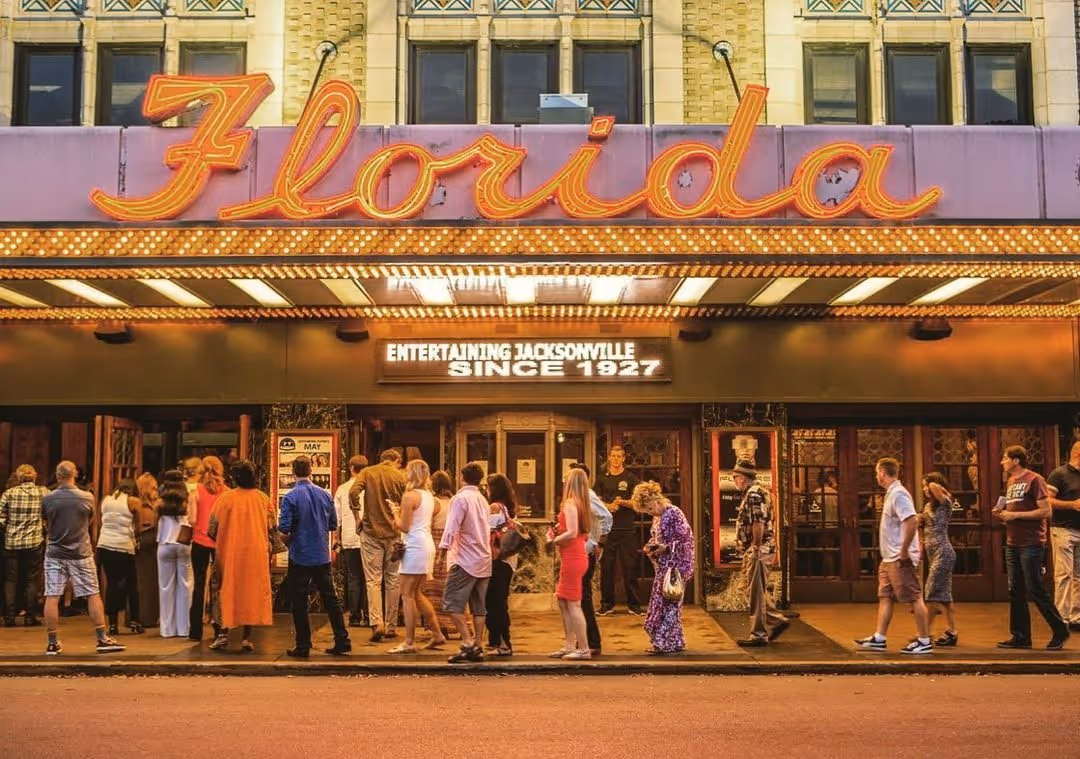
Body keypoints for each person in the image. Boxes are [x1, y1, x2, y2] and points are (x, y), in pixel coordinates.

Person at [41, 461, 125, 655]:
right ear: (75, 474)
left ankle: (52, 642)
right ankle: (102, 638)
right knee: (92, 594)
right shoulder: (87, 497)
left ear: (57, 475)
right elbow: (91, 520)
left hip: (55, 552)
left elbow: (45, 520)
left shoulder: (48, 498)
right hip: (80, 552)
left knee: (52, 596)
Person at [995, 445, 1070, 649]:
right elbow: (1017, 507)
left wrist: (1014, 515)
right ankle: (1020, 636)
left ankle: (1060, 630)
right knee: (1015, 590)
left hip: (1031, 543)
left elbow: (1046, 512)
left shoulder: (1035, 479)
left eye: (1005, 458)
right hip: (1013, 542)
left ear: (1016, 460)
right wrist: (1003, 513)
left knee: (1035, 589)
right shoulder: (1011, 481)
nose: (1002, 462)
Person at [855, 458, 932, 654]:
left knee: (914, 596)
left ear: (883, 473)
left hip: (898, 557)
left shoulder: (899, 494)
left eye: (877, 472)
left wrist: (904, 551)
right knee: (885, 596)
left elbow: (912, 521)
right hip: (888, 558)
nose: (876, 476)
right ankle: (879, 638)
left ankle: (924, 641)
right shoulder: (891, 493)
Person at [279, 455, 350, 657]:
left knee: (299, 601)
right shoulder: (325, 495)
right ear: (311, 471)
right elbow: (332, 524)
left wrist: (289, 540)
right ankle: (342, 639)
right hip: (321, 555)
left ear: (293, 472)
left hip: (300, 555)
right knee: (331, 599)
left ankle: (303, 645)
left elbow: (284, 528)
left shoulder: (291, 497)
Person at [207, 459, 274, 653]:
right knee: (251, 593)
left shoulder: (224, 499)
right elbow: (272, 530)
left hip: (229, 554)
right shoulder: (263, 499)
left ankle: (222, 634)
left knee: (226, 591)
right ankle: (246, 637)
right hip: (256, 555)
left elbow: (212, 529)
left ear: (235, 478)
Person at [388, 459, 447, 654]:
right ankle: (437, 634)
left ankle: (409, 641)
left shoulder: (409, 496)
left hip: (414, 545)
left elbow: (404, 526)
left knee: (407, 595)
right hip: (426, 544)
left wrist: (395, 514)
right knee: (417, 593)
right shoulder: (430, 497)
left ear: (411, 474)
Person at [439, 462, 493, 664]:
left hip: (464, 559)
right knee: (479, 607)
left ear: (462, 477)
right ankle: (478, 645)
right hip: (483, 559)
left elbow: (451, 527)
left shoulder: (460, 499)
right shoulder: (482, 499)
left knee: (452, 603)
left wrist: (442, 552)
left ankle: (468, 643)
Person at [631, 480, 694, 655]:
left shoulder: (674, 513)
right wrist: (651, 546)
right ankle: (674, 641)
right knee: (664, 603)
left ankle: (664, 643)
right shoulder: (658, 517)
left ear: (657, 501)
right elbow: (658, 538)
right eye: (646, 511)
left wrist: (665, 548)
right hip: (664, 566)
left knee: (669, 604)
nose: (650, 512)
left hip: (676, 566)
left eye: (650, 508)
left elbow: (686, 540)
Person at [349, 449, 406, 642]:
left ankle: (376, 623)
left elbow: (353, 492)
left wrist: (357, 517)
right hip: (395, 535)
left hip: (371, 532)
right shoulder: (400, 476)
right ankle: (391, 625)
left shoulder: (367, 472)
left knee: (373, 580)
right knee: (393, 579)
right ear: (396, 460)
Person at [731, 461, 788, 647]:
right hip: (761, 549)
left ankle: (758, 634)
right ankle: (776, 620)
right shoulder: (761, 492)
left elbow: (758, 522)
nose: (734, 481)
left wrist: (755, 547)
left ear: (742, 478)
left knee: (755, 592)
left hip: (760, 550)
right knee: (752, 589)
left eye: (735, 478)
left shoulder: (754, 494)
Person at [548, 467, 592, 660]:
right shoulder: (581, 504)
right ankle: (569, 645)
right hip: (576, 556)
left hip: (573, 557)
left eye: (566, 478)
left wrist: (553, 540)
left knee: (573, 603)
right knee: (563, 600)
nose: (563, 480)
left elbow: (572, 533)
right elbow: (582, 533)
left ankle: (583, 648)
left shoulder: (570, 503)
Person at [570, 463, 612, 655]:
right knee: (580, 597)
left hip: (587, 551)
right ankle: (585, 640)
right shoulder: (579, 496)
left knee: (583, 597)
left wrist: (599, 542)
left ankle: (591, 642)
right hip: (584, 550)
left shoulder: (587, 494)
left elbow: (606, 516)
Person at [596, 445, 642, 616]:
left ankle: (634, 605)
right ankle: (606, 605)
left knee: (630, 566)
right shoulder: (602, 479)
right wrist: (608, 506)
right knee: (607, 567)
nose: (615, 459)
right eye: (613, 456)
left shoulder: (631, 478)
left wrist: (623, 502)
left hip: (627, 529)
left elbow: (638, 502)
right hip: (607, 529)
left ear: (623, 458)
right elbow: (595, 500)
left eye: (618, 456)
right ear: (609, 458)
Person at [0, 464, 48, 627]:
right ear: (34, 476)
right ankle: (30, 617)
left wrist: (8, 528)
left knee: (10, 580)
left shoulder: (9, 493)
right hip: (34, 542)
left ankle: (9, 618)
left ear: (18, 477)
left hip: (11, 542)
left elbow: (0, 517)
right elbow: (49, 512)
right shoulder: (43, 492)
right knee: (31, 579)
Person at [95, 478, 144, 635]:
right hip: (124, 547)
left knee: (112, 584)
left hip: (104, 545)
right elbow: (138, 527)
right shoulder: (134, 501)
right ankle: (135, 621)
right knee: (132, 584)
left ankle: (112, 624)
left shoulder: (106, 499)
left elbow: (100, 521)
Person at [189, 455, 228, 642]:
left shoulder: (196, 491)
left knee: (198, 585)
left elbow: (191, 519)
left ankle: (195, 630)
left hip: (199, 541)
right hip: (219, 543)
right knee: (219, 586)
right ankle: (219, 627)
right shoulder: (227, 492)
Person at [918, 472, 959, 646]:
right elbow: (924, 528)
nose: (924, 489)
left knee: (931, 592)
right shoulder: (928, 506)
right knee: (945, 596)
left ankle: (925, 634)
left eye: (925, 486)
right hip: (933, 553)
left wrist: (932, 483)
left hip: (944, 553)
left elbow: (935, 487)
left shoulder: (945, 503)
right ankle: (952, 631)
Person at [1046, 441, 1080, 631]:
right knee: (1064, 574)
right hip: (1063, 530)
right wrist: (1072, 504)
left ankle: (1076, 617)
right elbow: (1048, 500)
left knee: (1079, 576)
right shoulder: (1059, 474)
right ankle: (1061, 619)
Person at [484, 472, 519, 656]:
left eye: (487, 487)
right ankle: (496, 640)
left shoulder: (494, 508)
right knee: (498, 601)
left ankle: (504, 643)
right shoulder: (508, 508)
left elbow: (488, 534)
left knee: (495, 603)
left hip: (497, 561)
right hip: (507, 561)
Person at [157, 469, 194, 638]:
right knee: (186, 585)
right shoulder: (188, 499)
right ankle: (184, 628)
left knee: (165, 587)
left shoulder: (160, 501)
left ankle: (167, 629)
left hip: (165, 543)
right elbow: (193, 519)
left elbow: (153, 521)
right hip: (184, 542)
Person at [334, 455, 368, 628]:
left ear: (351, 468)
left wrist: (337, 538)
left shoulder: (342, 489)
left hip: (349, 538)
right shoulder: (369, 488)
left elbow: (337, 518)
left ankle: (354, 616)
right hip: (369, 538)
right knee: (370, 578)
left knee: (353, 577)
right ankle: (369, 616)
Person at [423, 470, 456, 639]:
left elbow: (427, 525)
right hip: (453, 546)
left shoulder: (434, 503)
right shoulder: (454, 501)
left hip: (436, 546)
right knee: (451, 587)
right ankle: (458, 624)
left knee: (434, 588)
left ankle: (440, 625)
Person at [134, 473, 160, 628]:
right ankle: (143, 616)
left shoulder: (155, 504)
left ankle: (148, 615)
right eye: (153, 488)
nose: (156, 491)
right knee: (143, 581)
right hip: (145, 543)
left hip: (152, 543)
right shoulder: (140, 506)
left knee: (150, 582)